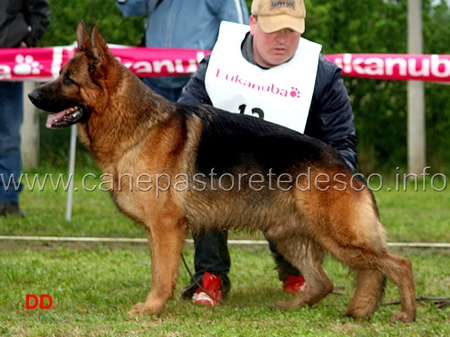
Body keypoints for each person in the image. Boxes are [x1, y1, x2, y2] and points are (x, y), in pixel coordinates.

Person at [178, 0, 358, 306]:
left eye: (292, 30)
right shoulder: (218, 63)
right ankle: (210, 275)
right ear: (253, 22)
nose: (283, 39)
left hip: (290, 180)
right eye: (274, 29)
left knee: (303, 197)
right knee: (198, 179)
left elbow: (343, 143)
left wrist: (332, 193)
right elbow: (180, 124)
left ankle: (298, 272)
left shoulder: (322, 74)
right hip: (225, 176)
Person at [117, 0, 249, 102]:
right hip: (153, 82)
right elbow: (130, 9)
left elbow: (238, 33)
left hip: (196, 85)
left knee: (194, 136)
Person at [0, 0, 50, 216]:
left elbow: (39, 10)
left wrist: (28, 40)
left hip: (10, 62)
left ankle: (8, 199)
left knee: (9, 135)